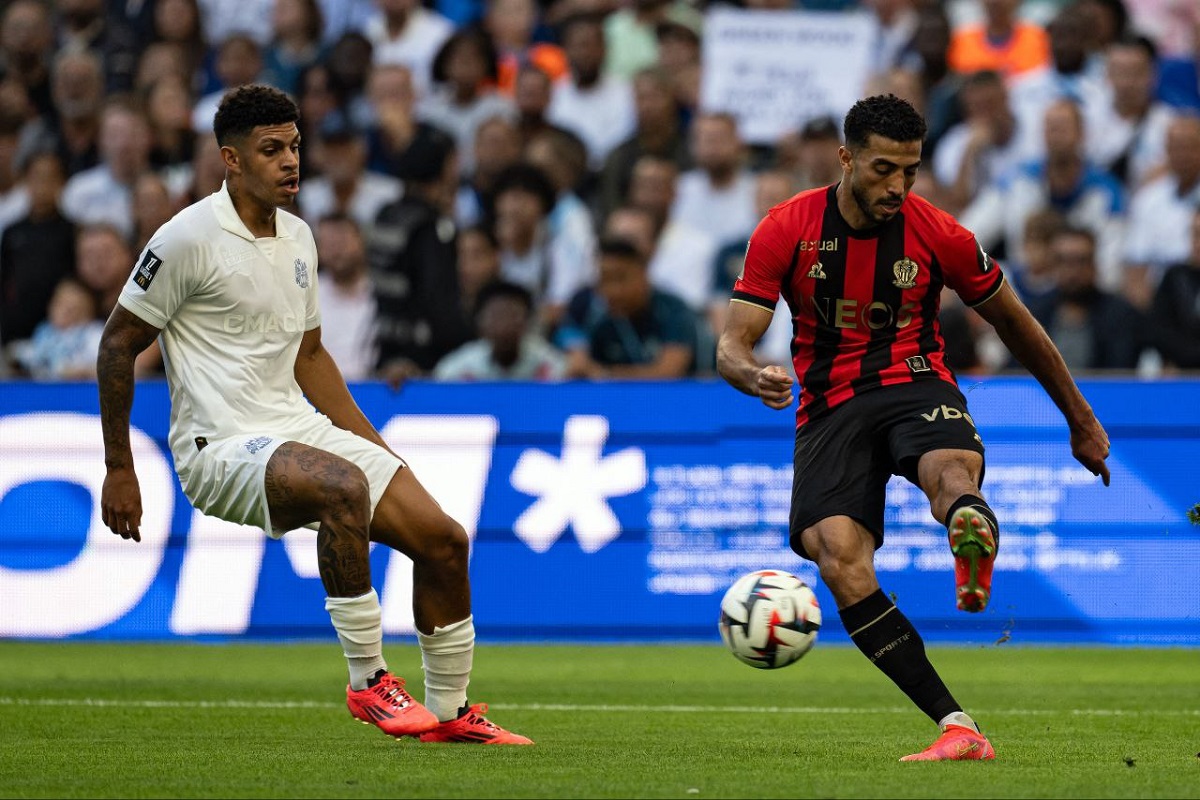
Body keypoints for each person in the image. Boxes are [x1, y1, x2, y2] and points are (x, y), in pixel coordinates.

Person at [97, 85, 531, 746]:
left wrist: (374, 444)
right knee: (341, 488)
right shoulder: (185, 236)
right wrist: (118, 467)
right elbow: (117, 345)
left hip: (295, 428)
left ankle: (449, 713)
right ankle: (368, 683)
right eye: (271, 150)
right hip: (220, 446)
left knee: (444, 540)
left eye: (294, 146)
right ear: (231, 160)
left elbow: (310, 356)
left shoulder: (300, 236)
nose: (290, 161)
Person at [716, 94, 1110, 762]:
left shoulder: (937, 232)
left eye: (910, 171)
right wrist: (753, 374)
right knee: (838, 558)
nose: (897, 187)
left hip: (915, 379)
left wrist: (1081, 419)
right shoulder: (787, 228)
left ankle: (966, 523)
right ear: (845, 158)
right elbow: (731, 344)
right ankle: (957, 726)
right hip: (830, 404)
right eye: (881, 170)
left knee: (949, 475)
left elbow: (1015, 321)